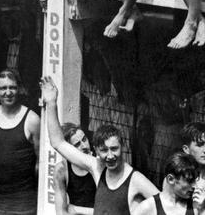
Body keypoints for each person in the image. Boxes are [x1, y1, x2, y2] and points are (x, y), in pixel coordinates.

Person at [39, 76, 156, 215]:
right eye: (104, 150)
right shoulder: (97, 167)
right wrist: (52, 103)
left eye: (114, 149)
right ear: (97, 151)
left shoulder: (134, 179)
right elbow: (58, 142)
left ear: (122, 147)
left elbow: (166, 204)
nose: (110, 156)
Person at [0, 70, 39, 215]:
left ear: (18, 89)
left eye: (12, 87)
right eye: (3, 88)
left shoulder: (32, 120)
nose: (8, 92)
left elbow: (40, 162)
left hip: (22, 202)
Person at [132, 151, 197, 215]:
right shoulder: (148, 207)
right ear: (170, 179)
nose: (195, 186)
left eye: (195, 180)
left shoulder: (196, 206)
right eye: (190, 181)